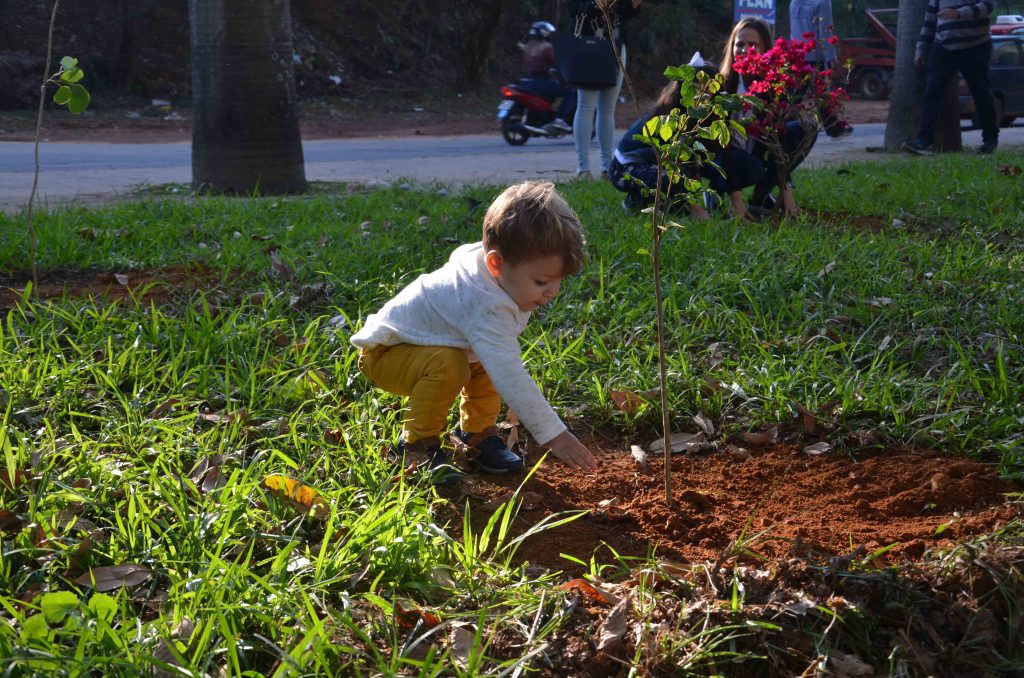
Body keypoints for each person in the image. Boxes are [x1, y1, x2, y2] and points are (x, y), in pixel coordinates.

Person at [350, 181, 599, 484]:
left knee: (485, 359)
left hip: (422, 347)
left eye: (557, 281)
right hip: (386, 355)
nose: (552, 292)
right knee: (452, 364)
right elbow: (510, 375)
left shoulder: (496, 270)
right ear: (496, 262)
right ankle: (414, 445)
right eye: (541, 282)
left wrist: (534, 283)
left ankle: (476, 432)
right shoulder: (485, 304)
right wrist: (555, 436)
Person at [717, 17, 817, 219]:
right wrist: (736, 198)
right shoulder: (722, 86)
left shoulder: (773, 87)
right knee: (748, 165)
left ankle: (761, 195)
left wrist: (786, 189)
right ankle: (718, 194)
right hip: (725, 158)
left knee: (805, 128)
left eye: (753, 45)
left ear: (765, 49)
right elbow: (723, 146)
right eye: (740, 45)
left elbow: (779, 142)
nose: (745, 50)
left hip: (753, 153)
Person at [608, 52, 719, 220]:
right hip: (624, 169)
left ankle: (650, 201)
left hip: (652, 166)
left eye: (707, 90)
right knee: (672, 179)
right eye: (695, 88)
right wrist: (696, 208)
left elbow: (692, 163)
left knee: (679, 207)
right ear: (683, 87)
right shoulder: (670, 114)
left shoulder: (702, 116)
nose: (700, 96)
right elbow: (674, 164)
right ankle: (635, 200)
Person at [902, 0, 998, 156]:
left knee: (981, 93)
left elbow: (988, 6)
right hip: (942, 47)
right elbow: (930, 19)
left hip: (975, 46)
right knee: (932, 92)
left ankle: (990, 140)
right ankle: (923, 140)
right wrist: (921, 48)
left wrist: (959, 13)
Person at [569, 0, 642, 178]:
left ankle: (607, 167)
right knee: (586, 106)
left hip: (616, 46)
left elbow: (624, 16)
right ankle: (583, 168)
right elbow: (576, 10)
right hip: (589, 45)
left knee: (608, 110)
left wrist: (632, 6)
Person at [788, 0, 854, 137]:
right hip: (815, 55)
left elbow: (793, 30)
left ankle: (782, 123)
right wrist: (830, 56)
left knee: (795, 94)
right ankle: (834, 128)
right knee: (822, 94)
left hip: (797, 54)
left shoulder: (794, 2)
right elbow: (825, 30)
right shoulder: (823, 2)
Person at [518, 20, 576, 133]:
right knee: (570, 91)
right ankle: (559, 119)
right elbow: (557, 64)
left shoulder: (528, 47)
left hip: (525, 82)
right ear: (544, 33)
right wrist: (564, 77)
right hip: (540, 82)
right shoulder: (547, 47)